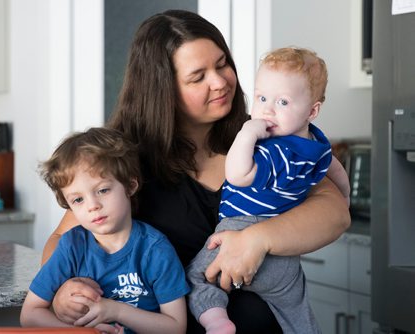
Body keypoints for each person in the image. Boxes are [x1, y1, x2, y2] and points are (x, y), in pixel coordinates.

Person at [42, 10, 350, 333]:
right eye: (198, 76)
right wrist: (63, 289)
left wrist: (258, 240)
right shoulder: (122, 157)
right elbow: (63, 238)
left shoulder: (263, 134)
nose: (219, 82)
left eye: (222, 65)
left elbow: (335, 213)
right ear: (162, 90)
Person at [186, 47, 350, 334]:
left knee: (196, 278)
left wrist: (247, 134)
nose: (267, 110)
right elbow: (334, 170)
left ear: (312, 110)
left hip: (237, 230)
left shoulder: (271, 151)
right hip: (285, 263)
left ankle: (215, 322)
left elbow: (237, 175)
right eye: (261, 98)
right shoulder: (316, 145)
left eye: (282, 102)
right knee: (297, 311)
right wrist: (345, 195)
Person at [20, 128, 190, 333]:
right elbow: (30, 314)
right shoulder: (71, 247)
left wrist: (116, 311)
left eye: (102, 190)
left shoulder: (155, 250)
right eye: (78, 199)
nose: (93, 206)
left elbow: (176, 327)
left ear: (130, 185)